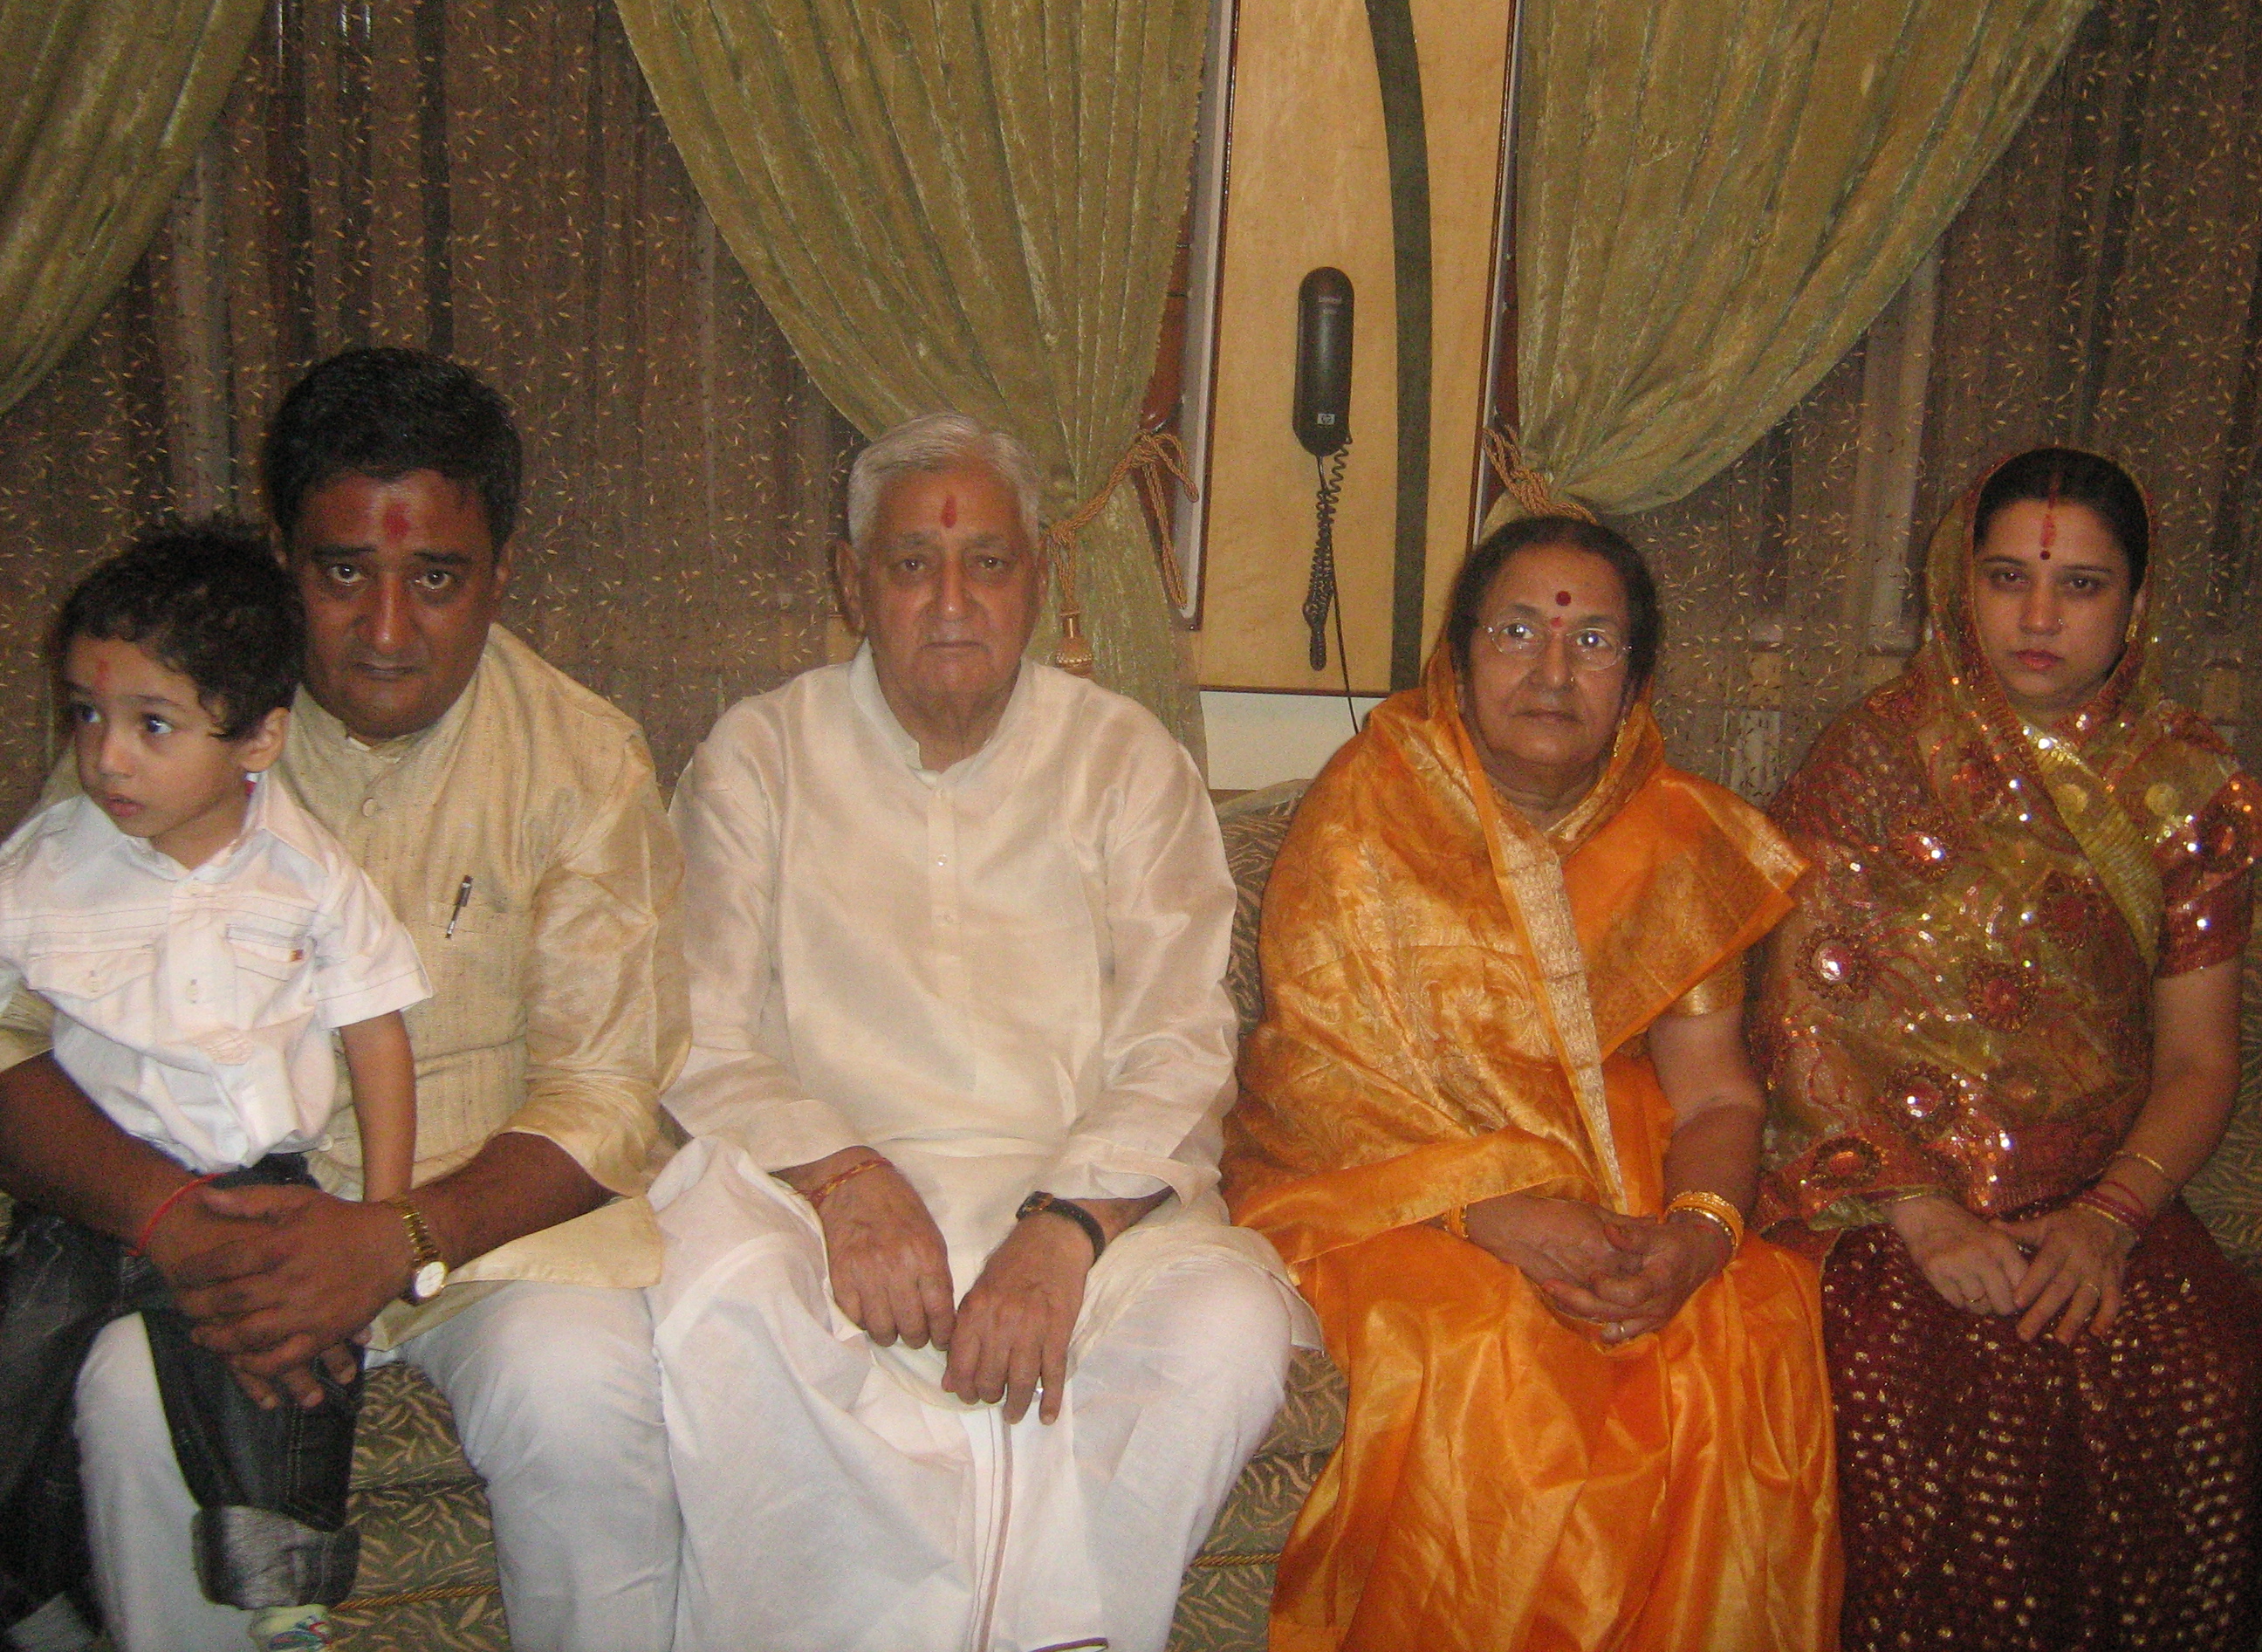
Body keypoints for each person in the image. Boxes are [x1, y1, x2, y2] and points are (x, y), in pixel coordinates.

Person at [0, 349, 689, 1652]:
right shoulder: (158, 732)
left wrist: (394, 1235)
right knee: (128, 1399)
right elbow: (8, 1034)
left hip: (487, 1239)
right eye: (341, 572)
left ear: (499, 574)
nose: (385, 630)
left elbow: (607, 1091)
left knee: (581, 1393)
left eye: (435, 577)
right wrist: (172, 1222)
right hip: (201, 1231)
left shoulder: (583, 757)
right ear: (282, 561)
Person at [652, 410, 1308, 1652]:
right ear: (852, 584)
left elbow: (1180, 1040)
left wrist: (1066, 1228)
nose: (952, 600)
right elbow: (698, 1033)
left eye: (988, 562)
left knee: (1228, 1328)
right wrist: (844, 1177)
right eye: (911, 564)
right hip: (823, 1208)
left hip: (1089, 1216)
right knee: (706, 1263)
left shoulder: (1125, 760)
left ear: (1039, 578)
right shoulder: (759, 757)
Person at [1225, 514, 1840, 1652]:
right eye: (1517, 631)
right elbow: (1316, 1089)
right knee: (1488, 1351)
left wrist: (1701, 1233)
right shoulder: (1369, 813)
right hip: (1385, 1190)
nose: (1552, 670)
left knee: (1751, 1324)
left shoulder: (1676, 837)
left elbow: (1714, 1095)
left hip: (1620, 1161)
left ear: (1637, 679)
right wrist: (1490, 1211)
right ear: (1458, 661)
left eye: (1594, 642)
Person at [1754, 447, 2262, 1649]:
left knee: (2202, 1385)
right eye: (2006, 577)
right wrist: (1924, 1214)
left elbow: (2199, 1060)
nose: (2039, 617)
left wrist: (2111, 1219)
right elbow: (1800, 1022)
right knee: (1889, 1390)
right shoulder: (1871, 758)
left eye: (2081, 586)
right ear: (1957, 589)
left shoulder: (2193, 785)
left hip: (2099, 1198)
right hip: (1885, 1199)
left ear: (2137, 607)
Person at [0, 521, 427, 1652]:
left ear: (259, 739)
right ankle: (30, 1598)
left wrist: (381, 1221)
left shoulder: (310, 873)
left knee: (280, 1366)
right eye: (87, 714)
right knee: (14, 1358)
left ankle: (286, 1598)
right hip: (95, 1199)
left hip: (254, 1188)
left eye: (152, 725)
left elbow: (377, 1040)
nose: (108, 759)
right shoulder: (48, 860)